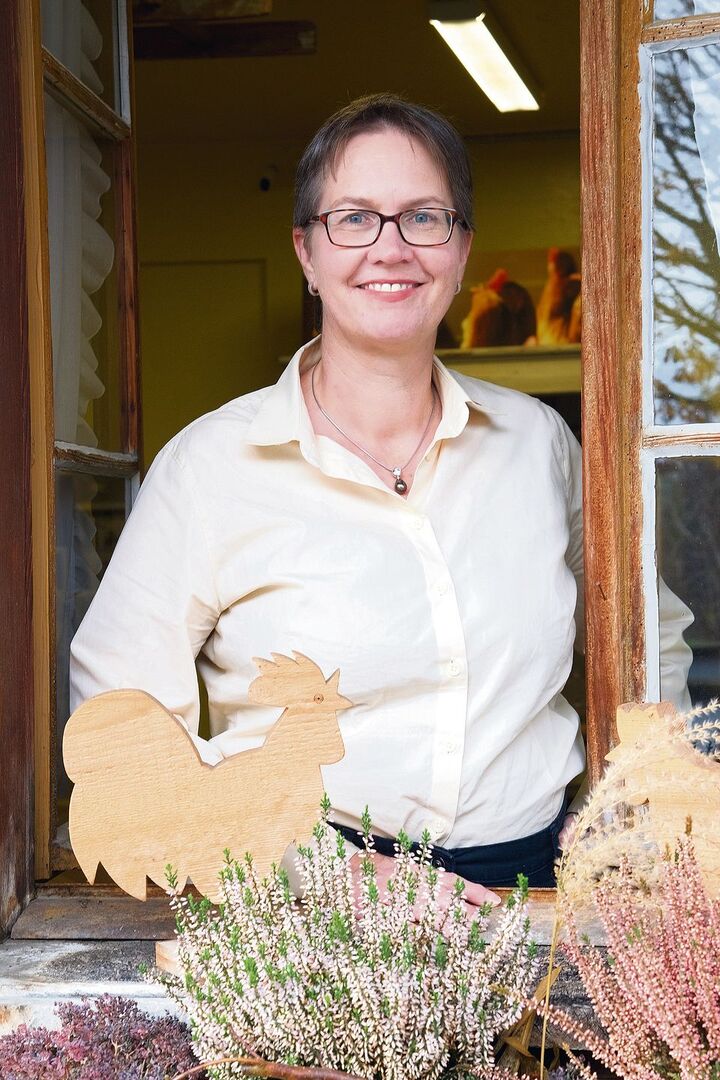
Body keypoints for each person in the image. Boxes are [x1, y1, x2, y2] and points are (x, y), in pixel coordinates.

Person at [69, 94, 690, 911]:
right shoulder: (207, 470)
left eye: (424, 217)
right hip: (315, 910)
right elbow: (122, 717)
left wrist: (648, 815)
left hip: (538, 896)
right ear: (306, 251)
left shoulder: (539, 445)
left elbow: (649, 633)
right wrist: (336, 875)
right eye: (354, 218)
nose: (390, 248)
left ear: (462, 250)